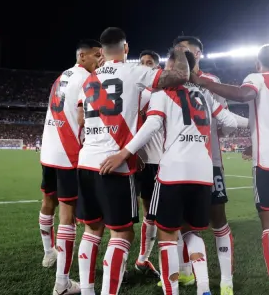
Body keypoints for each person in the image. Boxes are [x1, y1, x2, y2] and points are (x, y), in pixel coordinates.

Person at [110, 49, 238, 295]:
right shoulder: (205, 95)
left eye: (168, 65)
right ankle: (203, 288)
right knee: (193, 231)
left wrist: (125, 152)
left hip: (173, 171)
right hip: (203, 173)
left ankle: (172, 291)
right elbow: (230, 122)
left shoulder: (164, 93)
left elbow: (152, 125)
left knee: (168, 235)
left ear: (177, 68)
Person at [75, 27, 190, 295]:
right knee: (122, 235)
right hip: (115, 165)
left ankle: (88, 290)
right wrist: (181, 51)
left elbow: (80, 118)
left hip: (86, 162)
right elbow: (181, 76)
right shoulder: (135, 71)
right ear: (126, 49)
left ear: (101, 51)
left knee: (92, 232)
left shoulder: (89, 79)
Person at [191, 44, 269, 295]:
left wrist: (205, 83)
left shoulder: (256, 78)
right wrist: (257, 142)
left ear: (257, 64)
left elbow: (244, 95)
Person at [172, 36, 236, 295]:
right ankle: (189, 275)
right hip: (181, 163)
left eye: (187, 51)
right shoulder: (170, 82)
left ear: (198, 54)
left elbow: (225, 120)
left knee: (218, 221)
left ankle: (226, 282)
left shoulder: (212, 82)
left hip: (210, 163)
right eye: (179, 51)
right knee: (183, 224)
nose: (183, 55)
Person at [39, 39, 103, 295]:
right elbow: (82, 118)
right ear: (82, 56)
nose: (100, 60)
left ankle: (48, 253)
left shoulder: (61, 77)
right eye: (96, 55)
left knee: (47, 202)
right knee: (68, 217)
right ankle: (62, 284)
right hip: (68, 153)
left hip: (49, 151)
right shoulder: (86, 80)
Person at [133, 50, 164, 280]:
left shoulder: (164, 91)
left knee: (156, 214)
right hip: (141, 161)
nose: (145, 66)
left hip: (162, 160)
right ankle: (142, 259)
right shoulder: (135, 92)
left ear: (158, 67)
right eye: (142, 63)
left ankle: (144, 259)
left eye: (149, 63)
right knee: (146, 214)